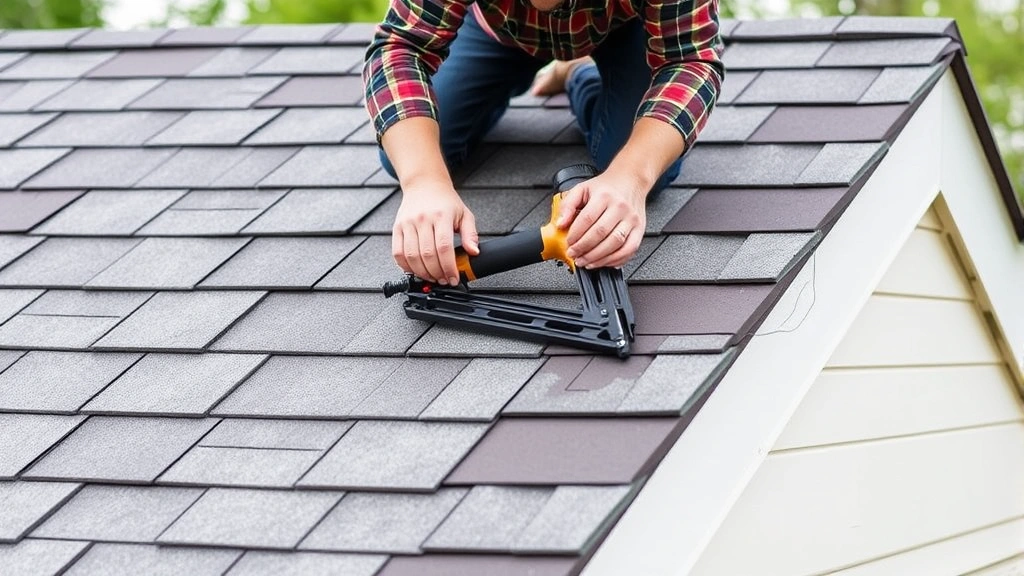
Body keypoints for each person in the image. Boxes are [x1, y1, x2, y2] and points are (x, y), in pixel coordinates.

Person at [364, 0, 724, 286]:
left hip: (626, 29)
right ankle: (519, 74)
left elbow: (690, 61)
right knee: (410, 151)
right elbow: (400, 48)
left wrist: (630, 178)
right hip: (497, 29)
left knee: (643, 167)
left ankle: (578, 72)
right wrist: (424, 182)